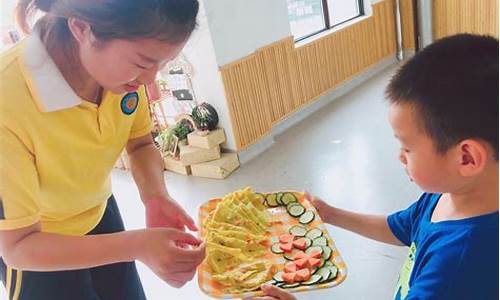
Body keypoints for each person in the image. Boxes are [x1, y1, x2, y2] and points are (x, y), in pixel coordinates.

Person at [247, 34, 499, 300]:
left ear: (467, 158)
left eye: (407, 148)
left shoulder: (457, 266)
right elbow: (400, 227)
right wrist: (331, 214)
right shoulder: (450, 193)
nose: (400, 157)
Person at [0, 0, 206, 299]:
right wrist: (136, 245)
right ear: (81, 28)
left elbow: (140, 144)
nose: (151, 82)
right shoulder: (8, 105)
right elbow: (18, 247)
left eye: (162, 64)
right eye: (143, 63)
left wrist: (155, 196)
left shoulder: (123, 80)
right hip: (39, 244)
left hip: (99, 211)